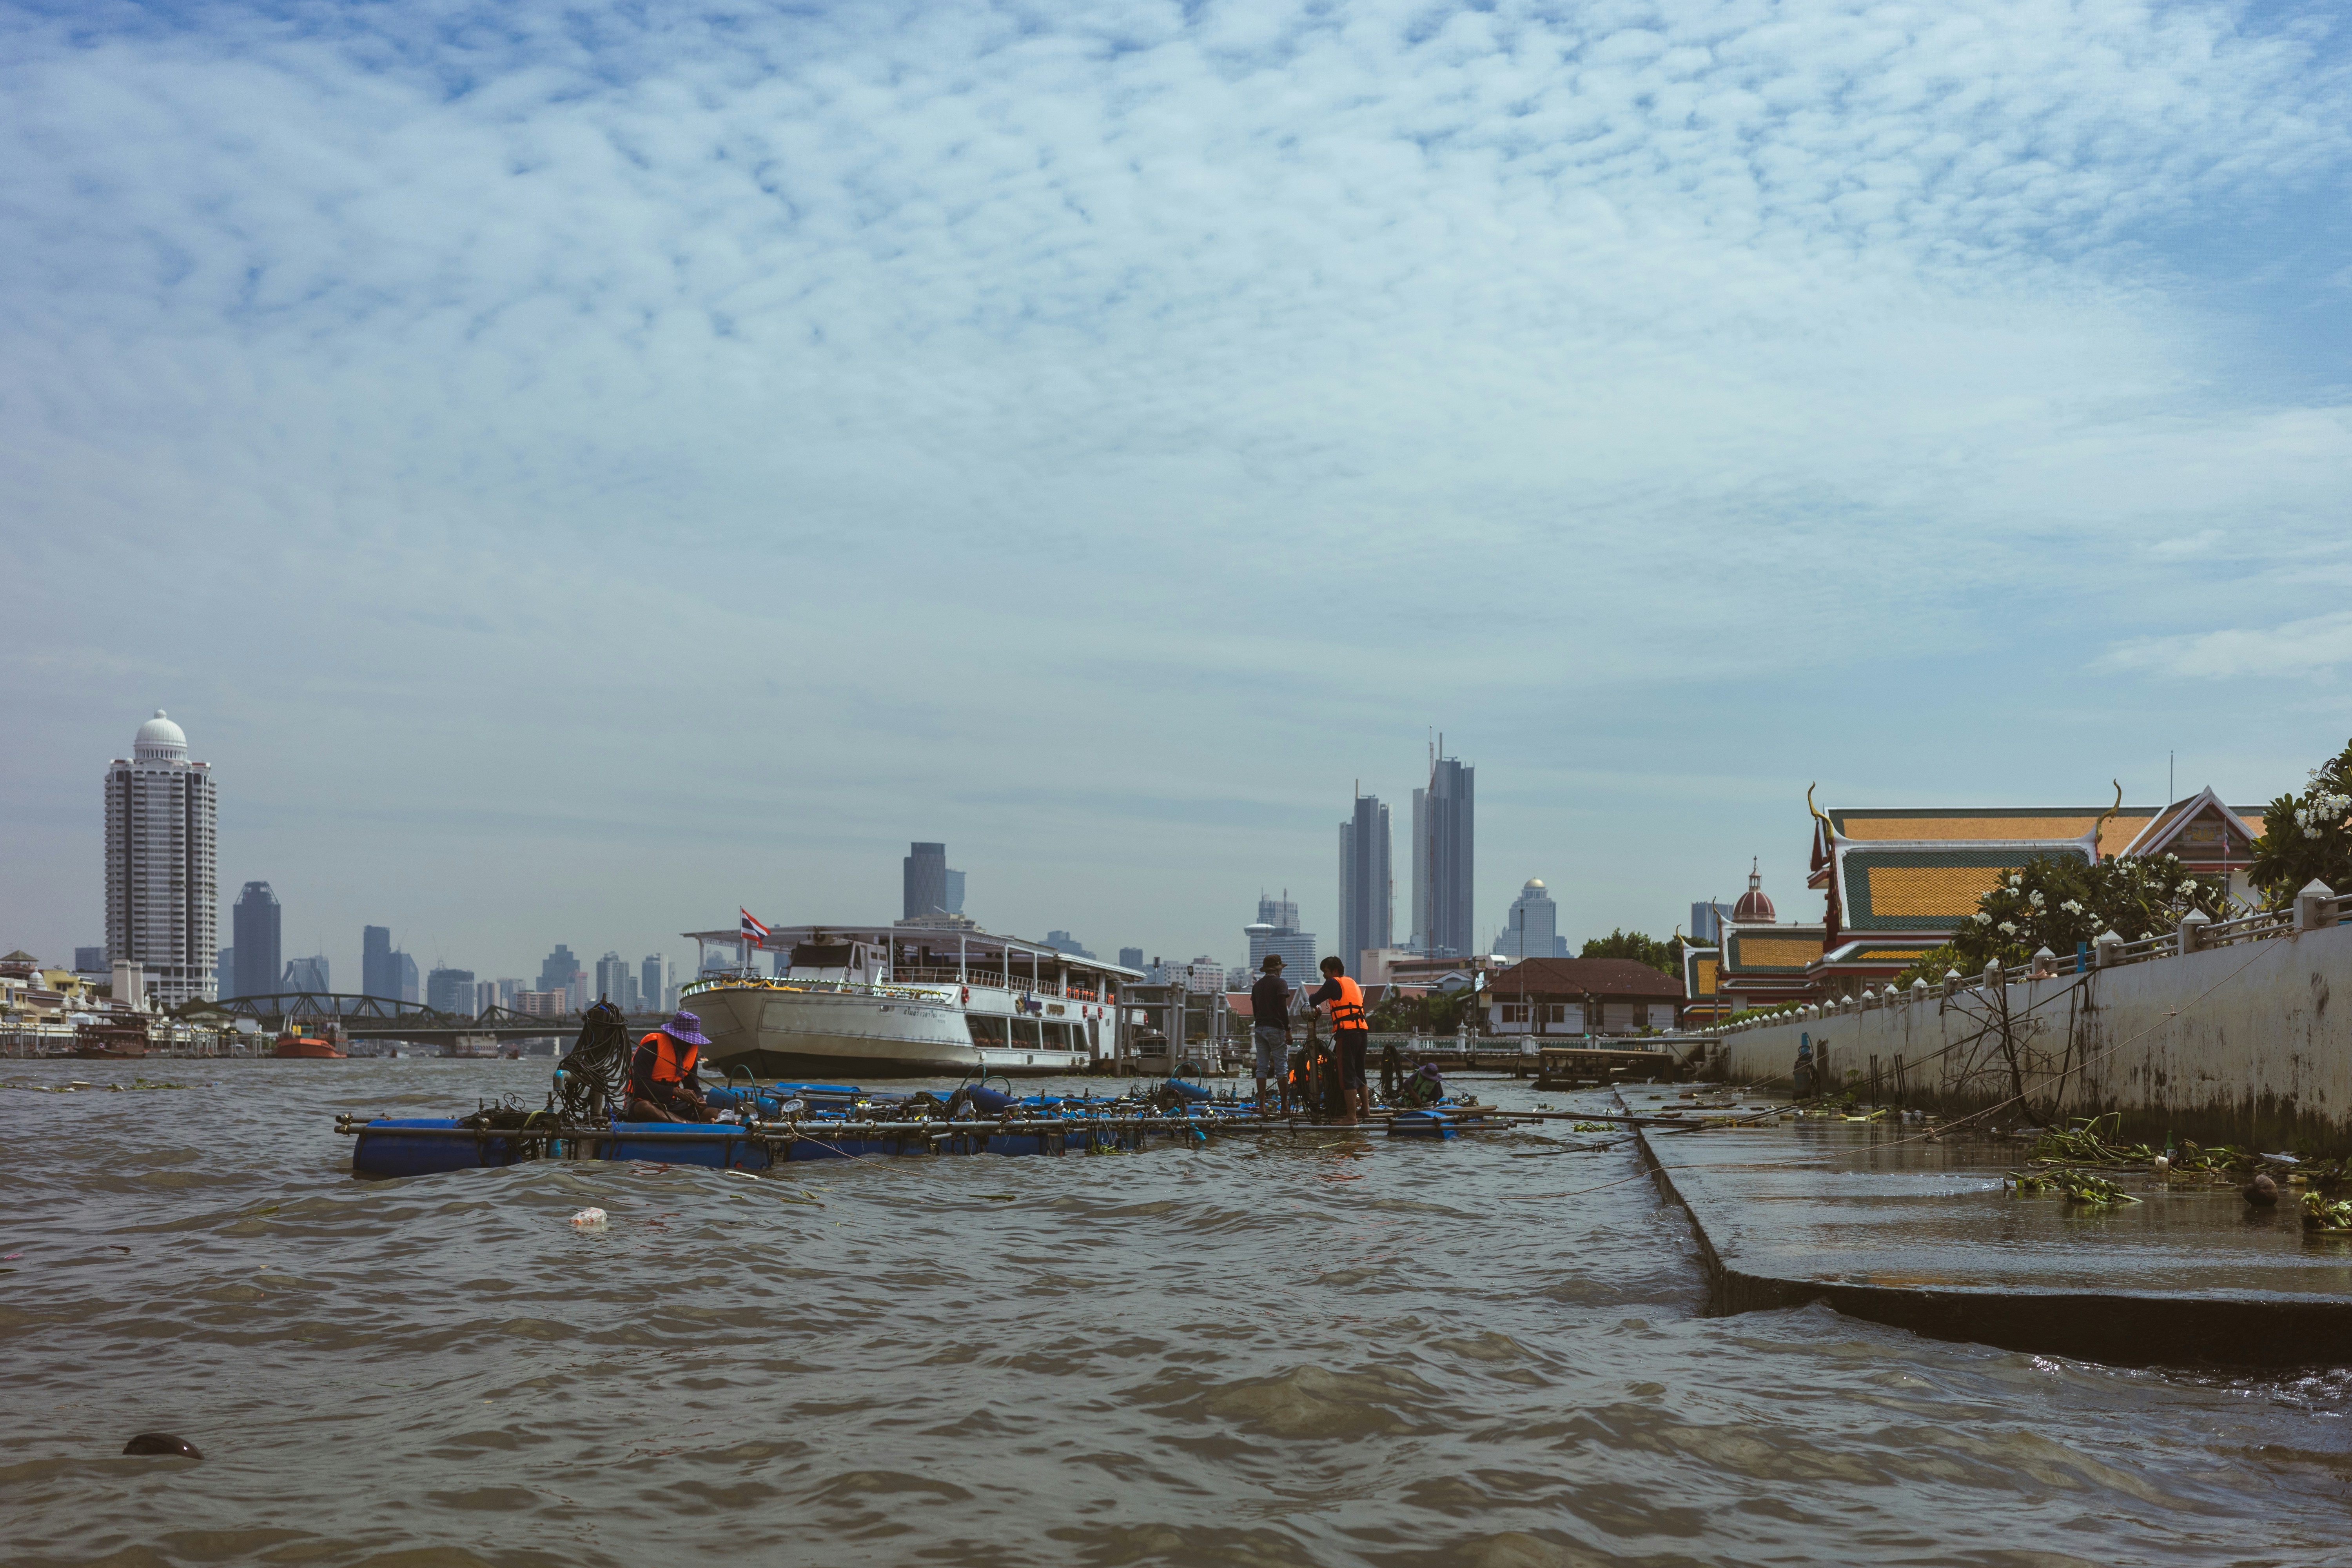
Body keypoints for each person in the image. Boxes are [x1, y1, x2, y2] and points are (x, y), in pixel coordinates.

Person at [1305, 956, 1371, 1123]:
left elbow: (1314, 1000)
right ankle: (1365, 1109)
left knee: (1346, 1074)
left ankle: (1351, 1116)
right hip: (1362, 1030)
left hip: (1347, 1033)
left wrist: (1313, 994)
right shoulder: (1352, 983)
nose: (1324, 976)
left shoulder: (1334, 983)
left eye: (1325, 972)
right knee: (1359, 1071)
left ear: (1335, 971)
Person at [625, 1010, 716, 1122]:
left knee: (714, 1113)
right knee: (644, 1108)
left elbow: (694, 1087)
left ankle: (688, 1123)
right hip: (642, 1102)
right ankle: (688, 1124)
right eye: (686, 1040)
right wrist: (675, 1092)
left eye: (692, 1040)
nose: (689, 1044)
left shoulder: (690, 1055)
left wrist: (699, 1099)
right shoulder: (650, 1049)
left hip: (671, 1105)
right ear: (674, 1035)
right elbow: (639, 1087)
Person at [1249, 955, 1294, 1113]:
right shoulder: (1280, 983)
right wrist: (1288, 1030)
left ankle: (1261, 1106)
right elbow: (1283, 1008)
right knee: (1281, 1068)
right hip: (1276, 1028)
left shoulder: (1257, 986)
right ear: (1277, 969)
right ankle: (1284, 1107)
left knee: (1262, 1068)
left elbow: (1255, 1011)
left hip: (1260, 1028)